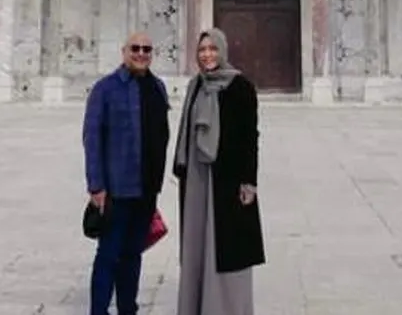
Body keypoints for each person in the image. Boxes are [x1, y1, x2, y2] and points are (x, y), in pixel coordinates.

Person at [174, 28, 265, 315]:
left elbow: (250, 137)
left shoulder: (240, 87)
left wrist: (248, 182)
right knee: (197, 246)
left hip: (227, 180)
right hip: (198, 179)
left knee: (229, 248)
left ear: (223, 51)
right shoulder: (196, 86)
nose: (207, 55)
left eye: (213, 49)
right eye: (202, 50)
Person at [82, 32, 170, 315]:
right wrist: (96, 186)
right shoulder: (105, 89)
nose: (141, 53)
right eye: (136, 48)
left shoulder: (157, 87)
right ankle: (98, 310)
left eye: (146, 49)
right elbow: (92, 138)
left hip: (146, 189)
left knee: (133, 254)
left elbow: (161, 135)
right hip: (116, 189)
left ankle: (127, 309)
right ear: (124, 52)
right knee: (108, 254)